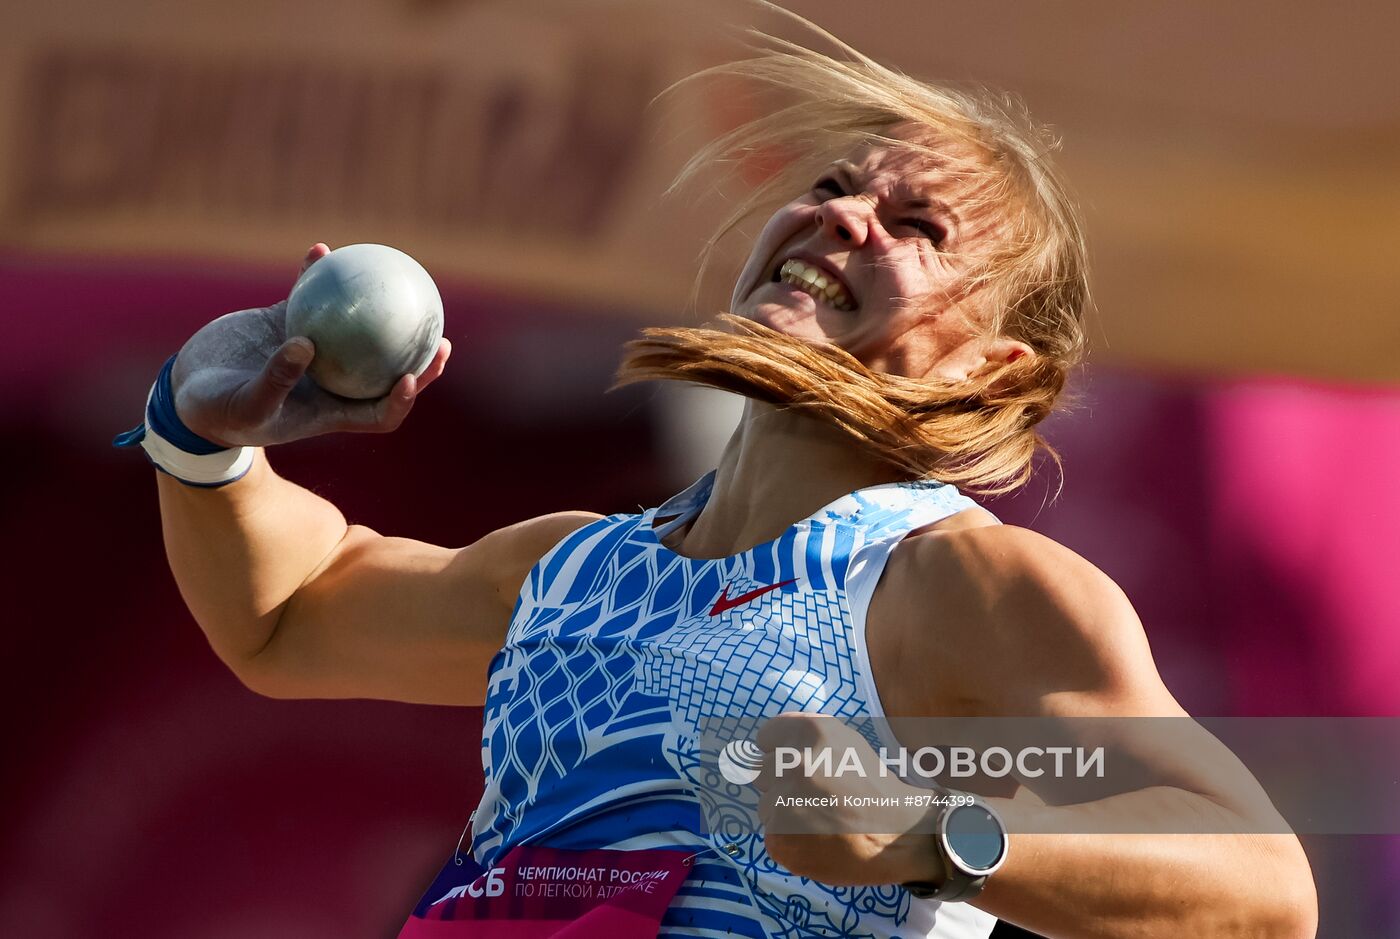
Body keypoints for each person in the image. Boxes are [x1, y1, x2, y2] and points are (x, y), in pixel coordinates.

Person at [119, 23, 1317, 939]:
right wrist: (199, 436)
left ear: (988, 363)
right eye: (839, 185)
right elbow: (286, 616)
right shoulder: (573, 570)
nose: (844, 219)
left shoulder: (953, 586)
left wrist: (926, 834)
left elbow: (1258, 887)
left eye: (919, 229)